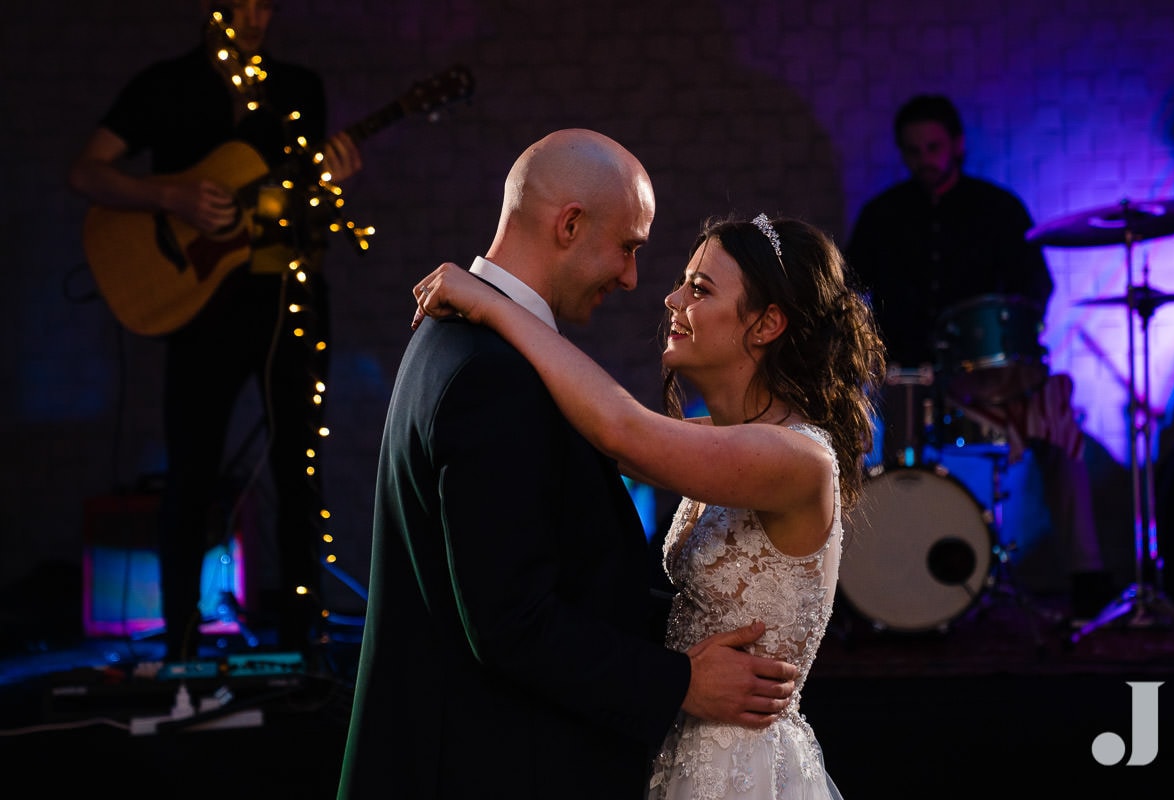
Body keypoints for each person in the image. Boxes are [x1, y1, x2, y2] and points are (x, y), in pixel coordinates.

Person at [337, 130, 812, 800]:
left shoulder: (467, 341)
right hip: (487, 767)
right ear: (568, 225)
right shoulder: (490, 372)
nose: (636, 281)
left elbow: (627, 447)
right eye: (628, 248)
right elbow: (513, 623)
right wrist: (679, 681)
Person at [408, 210, 887, 799]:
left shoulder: (796, 459)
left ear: (766, 324)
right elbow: (604, 434)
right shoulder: (714, 438)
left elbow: (618, 429)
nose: (670, 298)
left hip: (742, 763)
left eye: (699, 288)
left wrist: (496, 305)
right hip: (680, 742)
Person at [67, 0, 363, 660]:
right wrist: (168, 195)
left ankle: (301, 646)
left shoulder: (297, 88)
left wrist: (329, 182)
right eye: (241, 2)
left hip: (288, 304)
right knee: (190, 475)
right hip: (199, 312)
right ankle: (179, 645)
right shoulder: (164, 84)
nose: (255, 16)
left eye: (266, 3)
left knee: (298, 477)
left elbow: (294, 203)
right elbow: (86, 170)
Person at [843, 93, 1112, 617]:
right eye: (914, 150)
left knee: (1061, 426)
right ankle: (888, 585)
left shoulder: (1000, 208)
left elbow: (1036, 289)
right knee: (865, 435)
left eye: (935, 146)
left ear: (958, 145)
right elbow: (850, 295)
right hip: (911, 379)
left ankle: (1087, 573)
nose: (926, 158)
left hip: (997, 381)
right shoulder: (882, 217)